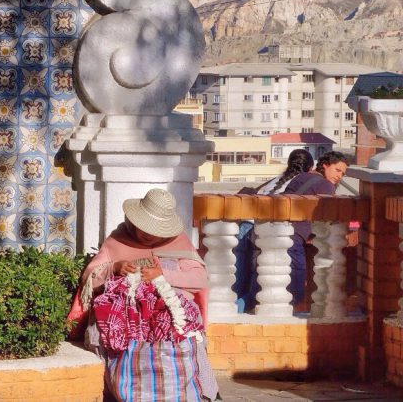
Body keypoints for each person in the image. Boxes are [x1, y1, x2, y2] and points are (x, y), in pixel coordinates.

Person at [67, 189, 218, 402]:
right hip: (123, 314)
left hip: (172, 314)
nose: (149, 234)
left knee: (182, 337)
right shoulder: (117, 241)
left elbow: (199, 280)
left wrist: (164, 275)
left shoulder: (180, 243)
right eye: (145, 228)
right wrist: (114, 268)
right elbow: (90, 280)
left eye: (156, 230)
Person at [233, 149, 315, 311]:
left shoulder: (275, 180)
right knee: (258, 288)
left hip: (245, 226)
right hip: (263, 231)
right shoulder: (300, 182)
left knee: (240, 284)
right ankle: (233, 311)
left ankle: (230, 310)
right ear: (310, 167)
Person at [281, 150, 348, 308]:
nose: (339, 176)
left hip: (273, 233)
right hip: (293, 239)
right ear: (325, 166)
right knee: (295, 291)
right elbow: (331, 219)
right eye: (337, 170)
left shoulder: (301, 176)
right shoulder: (325, 185)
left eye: (343, 174)